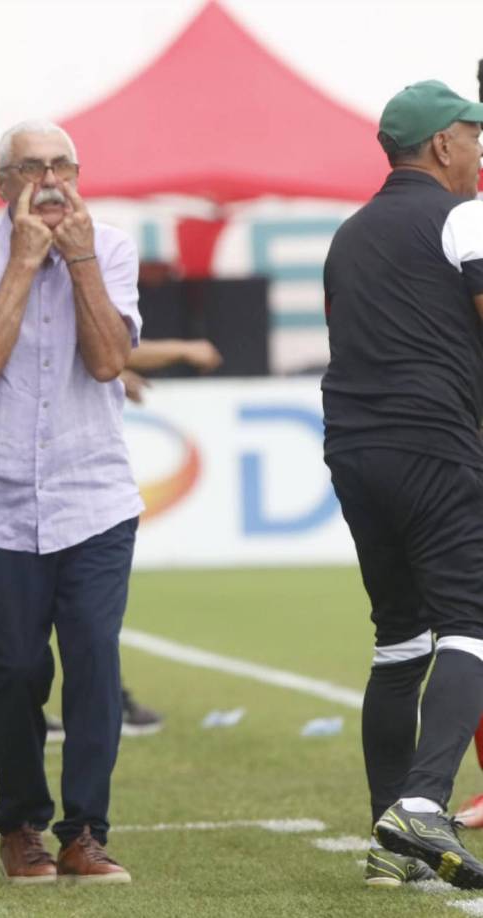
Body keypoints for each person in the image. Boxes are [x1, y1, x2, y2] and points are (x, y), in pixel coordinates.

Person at [0, 120, 141, 885]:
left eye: (62, 166)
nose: (50, 181)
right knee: (16, 671)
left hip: (93, 498)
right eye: (31, 168)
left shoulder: (111, 247)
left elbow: (110, 360)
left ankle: (85, 831)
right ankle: (20, 825)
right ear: (2, 184)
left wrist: (79, 260)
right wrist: (24, 261)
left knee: (93, 661)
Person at [321, 80, 483, 889]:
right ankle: (423, 800)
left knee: (399, 641)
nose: (481, 154)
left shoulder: (348, 235)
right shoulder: (462, 216)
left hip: (353, 450)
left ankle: (392, 839)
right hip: (433, 445)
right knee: (471, 623)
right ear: (443, 146)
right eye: (475, 138)